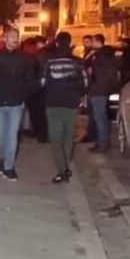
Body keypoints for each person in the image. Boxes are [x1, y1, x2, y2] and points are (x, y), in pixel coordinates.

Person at [0, 29, 37, 181]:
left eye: (16, 37)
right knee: (1, 136)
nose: (15, 40)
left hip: (15, 103)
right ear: (5, 39)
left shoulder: (24, 59)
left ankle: (9, 167)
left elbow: (31, 81)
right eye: (12, 37)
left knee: (12, 135)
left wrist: (22, 95)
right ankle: (3, 159)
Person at [41, 32, 87, 183]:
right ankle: (66, 166)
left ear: (56, 43)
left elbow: (42, 82)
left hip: (53, 103)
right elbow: (86, 82)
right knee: (68, 136)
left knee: (56, 138)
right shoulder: (77, 62)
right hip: (71, 104)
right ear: (70, 43)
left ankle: (62, 170)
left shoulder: (49, 61)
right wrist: (77, 94)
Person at [86, 34, 119, 153]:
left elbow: (94, 71)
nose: (91, 43)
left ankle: (102, 144)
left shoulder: (98, 55)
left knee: (99, 117)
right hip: (107, 89)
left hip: (98, 89)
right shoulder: (110, 55)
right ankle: (104, 142)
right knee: (104, 117)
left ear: (97, 41)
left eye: (92, 41)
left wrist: (92, 72)